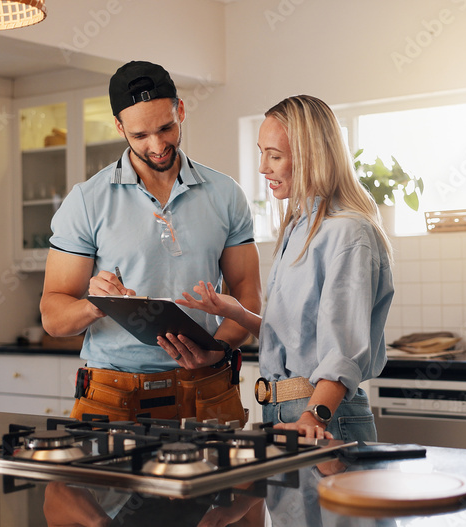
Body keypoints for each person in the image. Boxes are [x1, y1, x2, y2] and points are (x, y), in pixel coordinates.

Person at [40, 60, 261, 424]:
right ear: (119, 127)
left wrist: (219, 348)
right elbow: (53, 315)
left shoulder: (226, 194)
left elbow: (248, 294)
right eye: (140, 136)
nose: (157, 146)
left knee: (218, 483)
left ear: (181, 111)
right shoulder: (86, 200)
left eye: (166, 128)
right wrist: (97, 306)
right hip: (113, 393)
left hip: (207, 386)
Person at [165, 94, 392, 441]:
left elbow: (342, 350)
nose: (262, 167)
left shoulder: (347, 232)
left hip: (323, 416)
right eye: (261, 152)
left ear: (312, 157)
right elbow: (297, 338)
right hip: (283, 412)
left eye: (275, 155)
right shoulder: (298, 226)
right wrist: (237, 313)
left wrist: (314, 417)